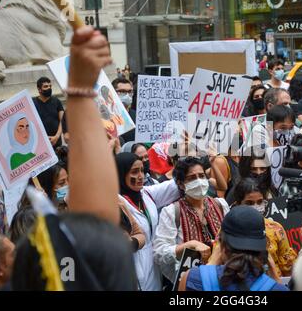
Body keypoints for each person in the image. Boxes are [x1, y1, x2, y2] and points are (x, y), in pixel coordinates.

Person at [12, 26, 138, 291]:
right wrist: (81, 90)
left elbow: (96, 222)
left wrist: (79, 90)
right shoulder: (102, 243)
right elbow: (98, 222)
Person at [153, 157, 230, 285]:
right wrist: (188, 246)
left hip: (222, 278)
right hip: (190, 282)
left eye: (201, 176)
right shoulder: (172, 211)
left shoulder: (220, 205)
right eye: (192, 178)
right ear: (181, 184)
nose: (199, 181)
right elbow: (159, 252)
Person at [178, 206, 288, 291]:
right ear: (262, 249)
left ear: (222, 246)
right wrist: (275, 278)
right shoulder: (276, 288)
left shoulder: (192, 278)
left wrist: (210, 264)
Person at [115, 152, 181, 291]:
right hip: (130, 269)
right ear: (120, 174)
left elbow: (176, 184)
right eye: (134, 172)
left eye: (142, 171)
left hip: (153, 268)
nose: (141, 176)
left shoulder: (146, 193)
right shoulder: (115, 201)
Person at [232, 178, 296, 278]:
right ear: (238, 204)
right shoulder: (228, 231)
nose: (256, 207)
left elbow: (287, 267)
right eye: (249, 203)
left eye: (260, 201)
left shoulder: (276, 229)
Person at [33, 77, 64, 148]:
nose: (49, 88)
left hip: (56, 143)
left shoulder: (56, 101)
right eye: (46, 86)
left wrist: (56, 136)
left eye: (50, 86)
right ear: (39, 89)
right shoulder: (32, 103)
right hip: (40, 144)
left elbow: (62, 120)